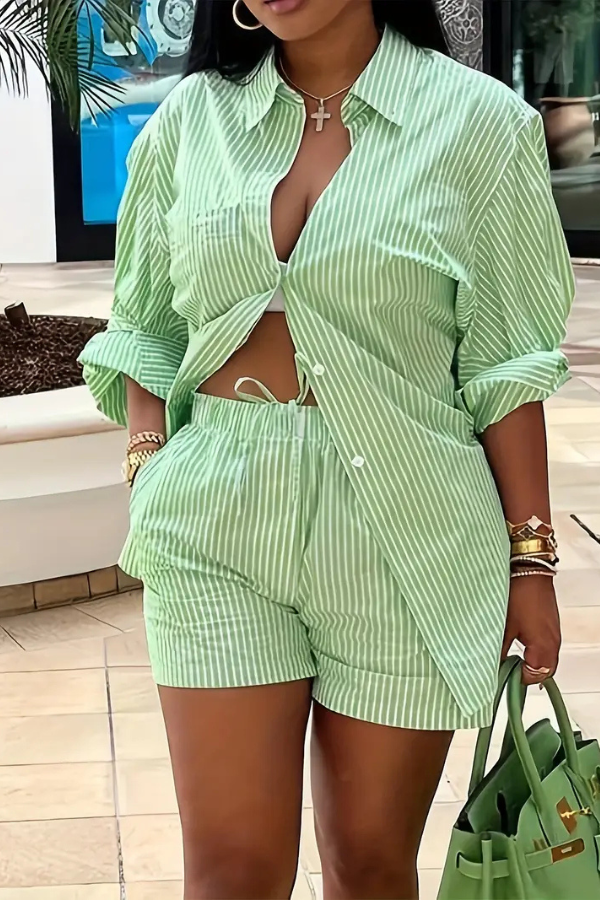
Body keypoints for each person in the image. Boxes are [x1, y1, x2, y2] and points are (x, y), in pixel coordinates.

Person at [79, 1, 574, 897]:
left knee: (369, 864)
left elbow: (506, 365)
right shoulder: (192, 120)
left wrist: (531, 562)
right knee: (230, 872)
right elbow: (143, 325)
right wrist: (149, 465)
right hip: (218, 518)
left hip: (408, 526)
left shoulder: (481, 125)